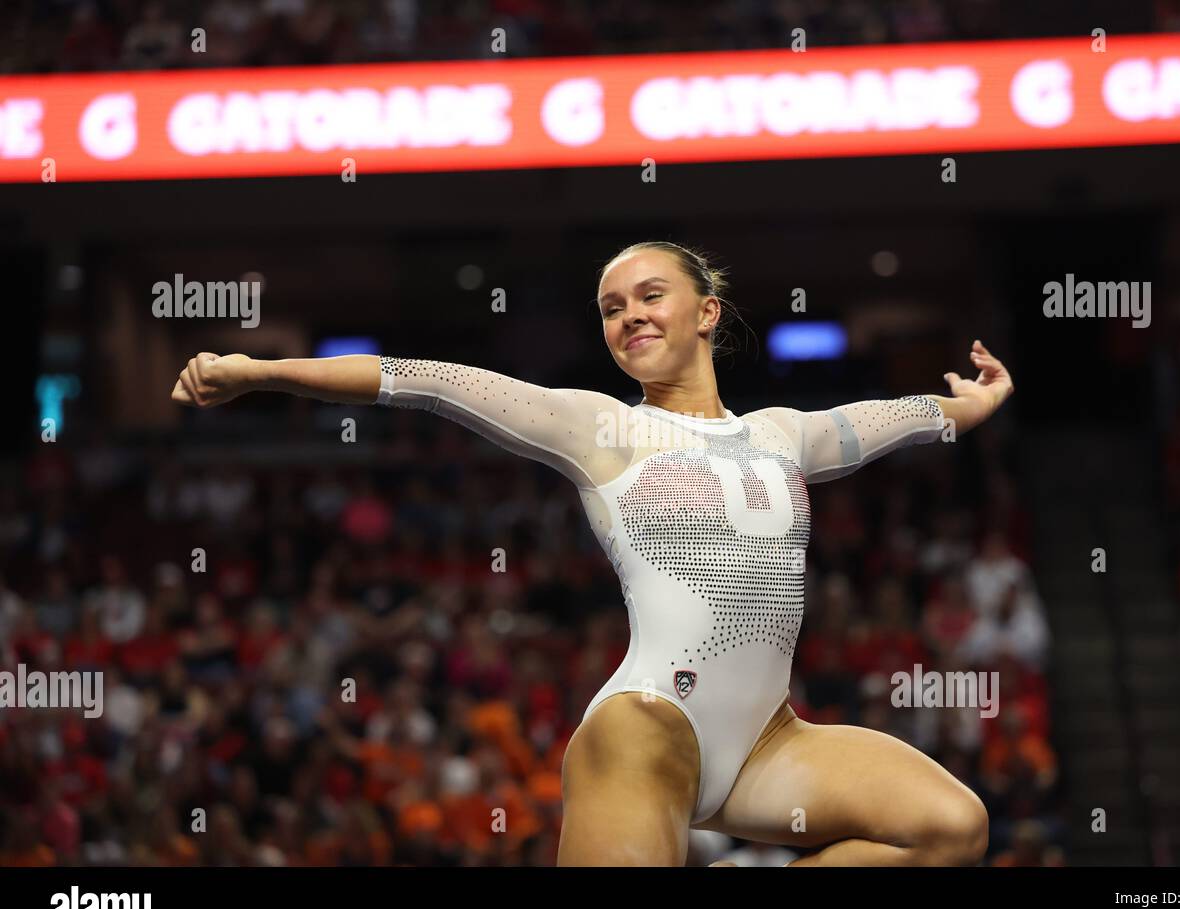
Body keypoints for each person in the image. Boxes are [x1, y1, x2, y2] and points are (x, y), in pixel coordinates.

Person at [170, 240, 1015, 866]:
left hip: (768, 744)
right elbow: (424, 378)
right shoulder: (601, 425)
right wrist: (258, 369)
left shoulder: (782, 435)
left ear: (707, 313)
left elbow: (895, 419)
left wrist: (971, 409)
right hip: (647, 729)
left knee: (951, 829)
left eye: (651, 296)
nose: (630, 316)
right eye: (612, 308)